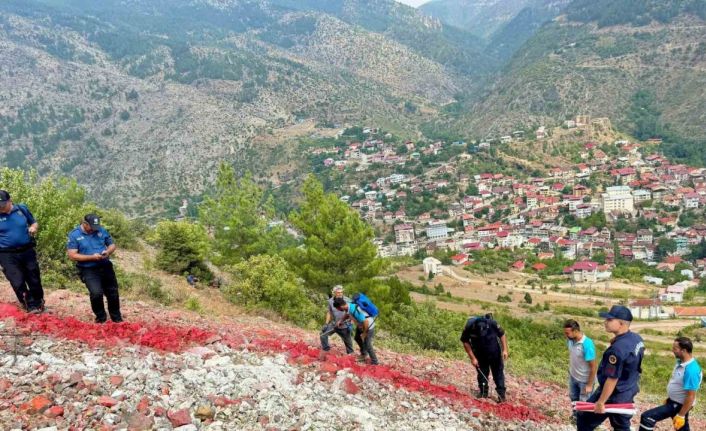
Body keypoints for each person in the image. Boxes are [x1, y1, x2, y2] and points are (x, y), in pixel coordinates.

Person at [577, 305, 645, 431]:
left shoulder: (617, 350)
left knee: (584, 418)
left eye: (609, 320)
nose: (605, 322)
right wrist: (618, 340)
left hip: (614, 394)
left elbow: (612, 379)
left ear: (621, 323)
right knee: (621, 426)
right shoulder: (636, 339)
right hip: (628, 389)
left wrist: (601, 402)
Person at [66, 214, 123, 323]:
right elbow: (72, 255)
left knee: (113, 292)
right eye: (92, 226)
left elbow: (112, 245)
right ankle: (101, 318)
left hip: (105, 265)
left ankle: (117, 318)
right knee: (96, 293)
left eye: (96, 226)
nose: (94, 229)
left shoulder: (101, 230)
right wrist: (92, 257)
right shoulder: (74, 235)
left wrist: (108, 252)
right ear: (85, 224)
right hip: (88, 269)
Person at [638, 337, 702, 431]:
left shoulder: (691, 370)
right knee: (682, 428)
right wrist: (670, 398)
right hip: (673, 402)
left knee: (647, 417)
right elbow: (677, 384)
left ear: (683, 350)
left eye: (675, 348)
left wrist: (681, 415)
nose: (672, 350)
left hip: (679, 405)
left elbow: (691, 396)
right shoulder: (680, 362)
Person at [0, 190, 45, 313]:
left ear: (10, 201)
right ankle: (29, 305)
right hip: (6, 253)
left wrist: (33, 227)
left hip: (27, 250)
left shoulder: (21, 209)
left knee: (34, 277)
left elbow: (34, 222)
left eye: (3, 205)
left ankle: (39, 301)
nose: (1, 208)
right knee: (17, 280)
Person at [460, 313, 509, 402]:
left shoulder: (492, 323)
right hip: (479, 355)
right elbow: (465, 341)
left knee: (498, 374)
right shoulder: (469, 326)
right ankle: (483, 394)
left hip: (495, 354)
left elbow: (502, 334)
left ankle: (501, 396)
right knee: (482, 374)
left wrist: (505, 350)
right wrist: (473, 358)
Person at [563, 319, 597, 422]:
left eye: (567, 333)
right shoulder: (570, 341)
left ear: (575, 331)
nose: (566, 335)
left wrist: (590, 385)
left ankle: (583, 422)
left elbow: (593, 366)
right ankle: (575, 416)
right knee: (573, 397)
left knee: (584, 403)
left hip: (585, 380)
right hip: (573, 376)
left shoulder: (587, 344)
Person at [333, 296, 378, 365]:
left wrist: (364, 333)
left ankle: (375, 362)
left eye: (337, 308)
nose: (338, 310)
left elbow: (366, 322)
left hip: (368, 327)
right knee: (357, 338)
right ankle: (364, 354)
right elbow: (347, 314)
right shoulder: (348, 305)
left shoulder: (354, 309)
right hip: (361, 326)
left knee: (367, 344)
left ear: (341, 306)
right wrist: (341, 321)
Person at [320, 285, 354, 354]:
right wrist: (326, 324)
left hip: (344, 325)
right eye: (338, 292)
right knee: (323, 335)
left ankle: (351, 357)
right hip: (334, 324)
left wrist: (351, 322)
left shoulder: (348, 300)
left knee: (349, 345)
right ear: (334, 293)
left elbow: (352, 312)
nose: (340, 294)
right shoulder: (330, 301)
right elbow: (329, 312)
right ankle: (326, 350)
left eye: (341, 292)